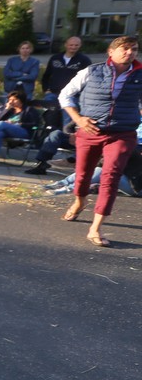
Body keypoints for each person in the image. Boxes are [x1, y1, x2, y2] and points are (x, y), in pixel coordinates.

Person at [58, 35, 142, 247]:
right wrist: (78, 119)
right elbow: (65, 95)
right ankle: (80, 201)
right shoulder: (91, 71)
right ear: (110, 52)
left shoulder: (140, 74)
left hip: (122, 133)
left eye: (134, 49)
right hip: (90, 130)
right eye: (125, 48)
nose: (130, 52)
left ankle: (95, 228)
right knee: (83, 175)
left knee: (111, 176)